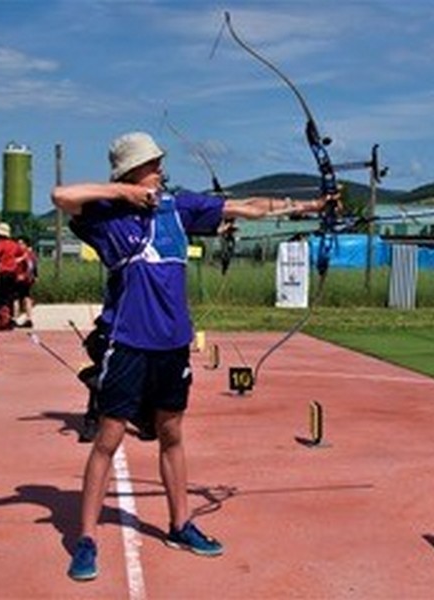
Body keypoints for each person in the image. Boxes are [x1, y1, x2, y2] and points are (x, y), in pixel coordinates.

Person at [51, 131, 335, 581]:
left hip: (172, 345)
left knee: (172, 433)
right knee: (107, 438)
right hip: (127, 342)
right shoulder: (104, 215)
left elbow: (250, 207)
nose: (161, 170)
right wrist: (123, 192)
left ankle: (180, 524)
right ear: (130, 172)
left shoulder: (177, 208)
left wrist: (311, 207)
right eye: (152, 164)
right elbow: (61, 195)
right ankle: (86, 539)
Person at [0, 222, 22, 330]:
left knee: (1, 297)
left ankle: (2, 320)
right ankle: (10, 320)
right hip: (13, 273)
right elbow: (22, 254)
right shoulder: (14, 244)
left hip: (3, 272)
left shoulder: (0, 244)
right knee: (10, 298)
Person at [14, 236, 38, 328]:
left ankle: (15, 318)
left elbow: (30, 266)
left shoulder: (24, 254)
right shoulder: (31, 254)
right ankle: (29, 318)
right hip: (27, 279)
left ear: (26, 245)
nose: (19, 245)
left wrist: (23, 275)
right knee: (26, 298)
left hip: (22, 279)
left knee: (16, 298)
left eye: (21, 243)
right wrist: (35, 275)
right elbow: (34, 265)